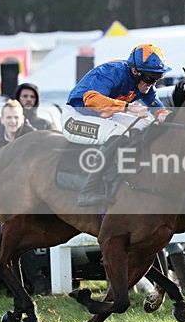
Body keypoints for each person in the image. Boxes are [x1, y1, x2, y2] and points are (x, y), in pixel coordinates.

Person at [63, 43, 172, 206]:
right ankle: (88, 191)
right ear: (135, 71)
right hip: (76, 116)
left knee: (146, 126)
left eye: (158, 78)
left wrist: (162, 114)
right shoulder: (111, 72)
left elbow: (155, 103)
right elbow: (91, 100)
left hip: (104, 117)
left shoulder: (143, 80)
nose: (153, 83)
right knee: (118, 132)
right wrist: (127, 107)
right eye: (150, 78)